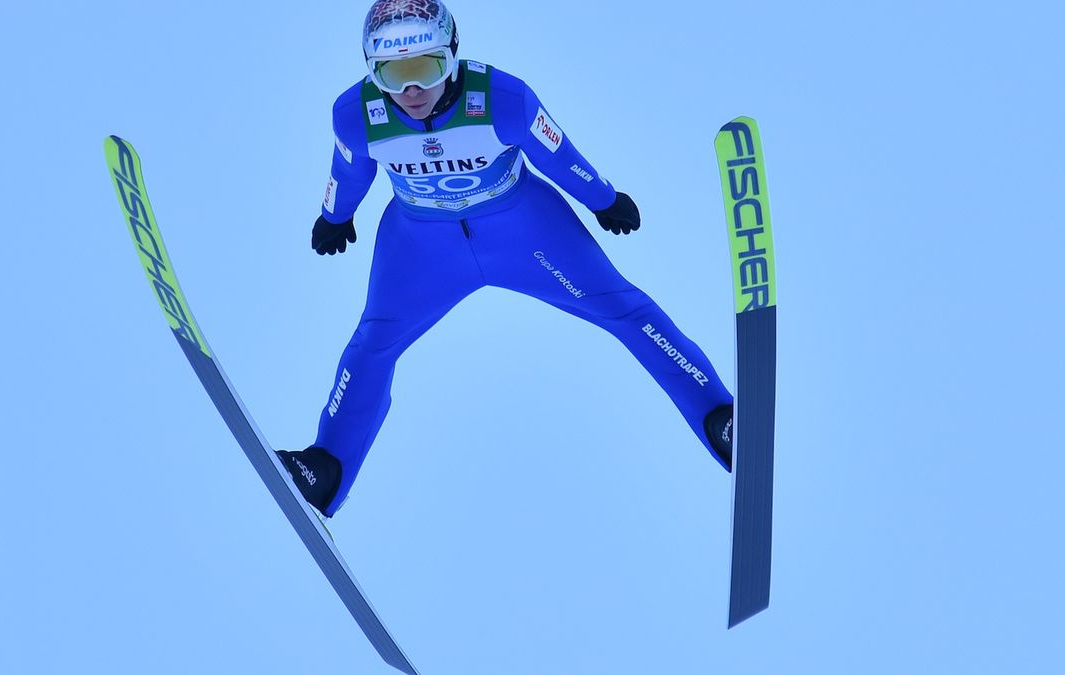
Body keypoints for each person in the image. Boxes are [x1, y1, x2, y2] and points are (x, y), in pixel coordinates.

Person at [278, 0, 734, 517]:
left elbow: (558, 153)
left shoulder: (502, 98)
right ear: (371, 70)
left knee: (625, 311)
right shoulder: (356, 114)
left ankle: (720, 416)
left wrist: (603, 199)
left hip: (526, 233)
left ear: (452, 55)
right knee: (372, 344)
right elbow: (349, 168)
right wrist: (335, 214)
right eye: (391, 74)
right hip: (421, 247)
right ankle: (326, 466)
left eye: (426, 68)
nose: (411, 91)